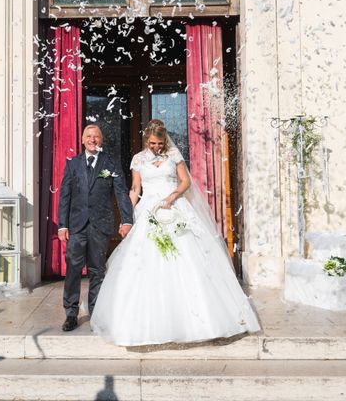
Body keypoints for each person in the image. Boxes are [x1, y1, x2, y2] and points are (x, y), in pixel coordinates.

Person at [90, 120, 261, 346]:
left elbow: (186, 181)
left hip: (175, 206)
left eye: (160, 143)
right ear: (146, 140)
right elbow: (135, 189)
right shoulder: (139, 160)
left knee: (187, 257)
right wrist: (127, 217)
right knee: (144, 262)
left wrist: (172, 196)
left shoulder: (174, 155)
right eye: (152, 143)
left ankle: (199, 321)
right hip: (149, 210)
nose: (156, 147)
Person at [58, 124, 134, 332]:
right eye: (89, 136)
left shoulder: (110, 163)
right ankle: (71, 313)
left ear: (101, 140)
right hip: (77, 225)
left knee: (97, 271)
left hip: (100, 225)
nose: (92, 139)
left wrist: (127, 220)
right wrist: (62, 225)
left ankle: (96, 314)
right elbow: (65, 195)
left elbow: (121, 192)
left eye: (96, 136)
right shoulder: (72, 164)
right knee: (73, 269)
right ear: (82, 140)